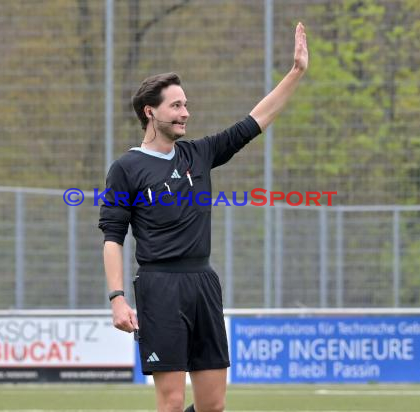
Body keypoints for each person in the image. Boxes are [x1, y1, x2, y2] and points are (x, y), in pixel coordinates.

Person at [99, 22, 308, 412]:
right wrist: (117, 298)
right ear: (150, 112)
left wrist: (295, 73)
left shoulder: (199, 154)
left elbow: (255, 121)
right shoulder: (125, 168)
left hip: (204, 284)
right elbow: (113, 236)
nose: (185, 113)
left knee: (212, 406)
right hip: (159, 286)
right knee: (173, 403)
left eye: (186, 105)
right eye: (176, 106)